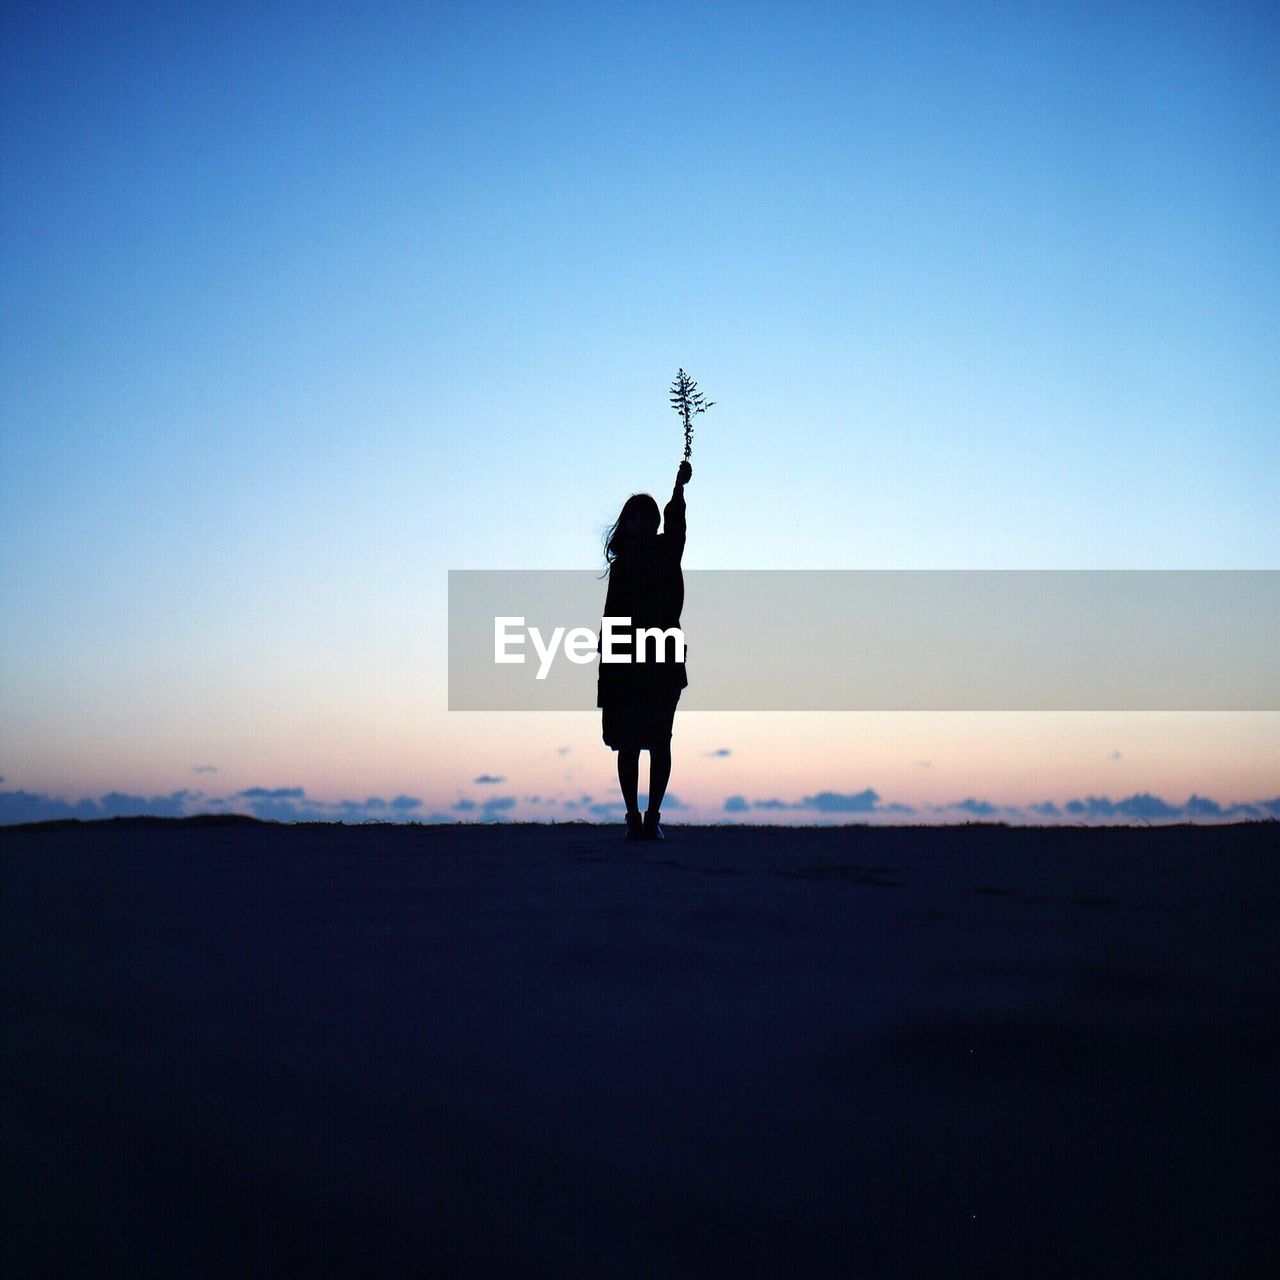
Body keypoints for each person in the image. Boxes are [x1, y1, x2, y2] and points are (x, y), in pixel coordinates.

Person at [598, 460, 692, 840]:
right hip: (627, 660)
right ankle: (634, 818)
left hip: (663, 656)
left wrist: (678, 490)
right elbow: (611, 617)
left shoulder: (665, 550)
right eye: (633, 516)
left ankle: (652, 817)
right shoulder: (621, 567)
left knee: (659, 739)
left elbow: (677, 526)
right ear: (627, 521)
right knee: (629, 741)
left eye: (644, 516)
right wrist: (608, 665)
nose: (638, 521)